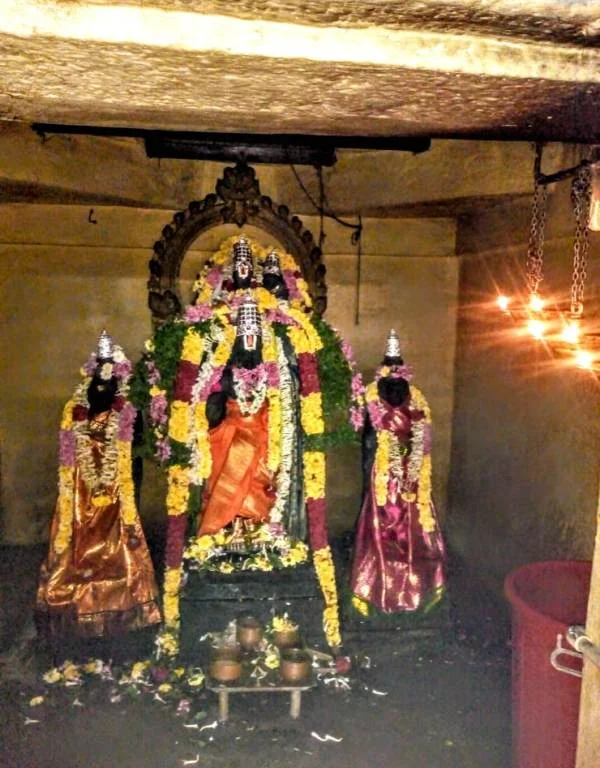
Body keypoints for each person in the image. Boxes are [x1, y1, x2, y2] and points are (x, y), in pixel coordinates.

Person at [36, 331, 161, 637]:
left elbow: (137, 446)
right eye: (98, 379)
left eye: (109, 378)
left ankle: (123, 599)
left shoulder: (128, 408)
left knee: (118, 538)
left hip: (117, 481)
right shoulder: (75, 407)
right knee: (80, 534)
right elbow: (67, 449)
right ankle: (77, 590)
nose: (103, 385)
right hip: (81, 485)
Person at [351, 330, 446, 614]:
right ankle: (375, 589)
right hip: (382, 473)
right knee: (381, 526)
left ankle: (422, 586)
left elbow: (424, 441)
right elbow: (365, 436)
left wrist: (411, 462)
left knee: (415, 526)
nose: (394, 375)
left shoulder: (417, 398)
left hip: (412, 476)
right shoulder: (370, 396)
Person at [198, 299, 275, 548]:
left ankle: (257, 528)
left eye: (254, 338)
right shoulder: (225, 371)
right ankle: (227, 528)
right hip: (230, 433)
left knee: (258, 482)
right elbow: (211, 398)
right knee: (224, 478)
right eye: (245, 338)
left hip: (261, 432)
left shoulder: (272, 369)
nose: (250, 343)